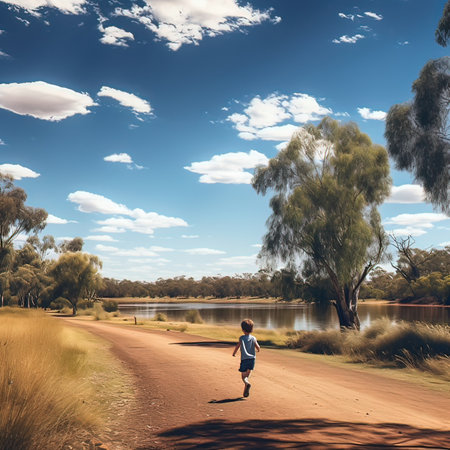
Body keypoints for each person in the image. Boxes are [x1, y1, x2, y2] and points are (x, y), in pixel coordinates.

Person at [232, 318, 260, 398]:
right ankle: (247, 383)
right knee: (248, 374)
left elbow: (237, 346)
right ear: (252, 329)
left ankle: (246, 383)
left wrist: (234, 353)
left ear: (243, 329)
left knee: (243, 376)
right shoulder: (253, 338)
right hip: (252, 359)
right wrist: (258, 350)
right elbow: (258, 346)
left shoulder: (241, 338)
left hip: (244, 359)